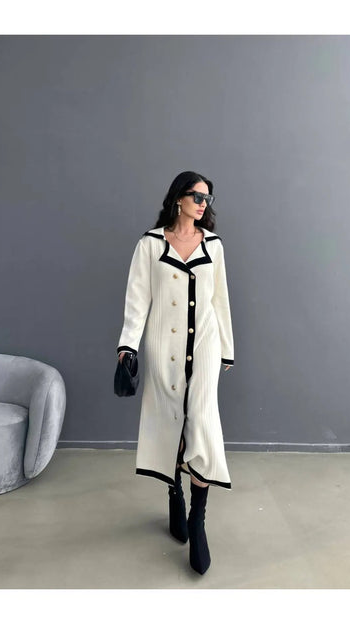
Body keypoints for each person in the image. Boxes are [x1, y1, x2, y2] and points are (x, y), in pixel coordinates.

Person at [117, 170, 234, 575]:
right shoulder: (150, 244)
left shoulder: (214, 245)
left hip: (205, 344)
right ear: (178, 198)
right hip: (163, 347)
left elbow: (220, 300)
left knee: (200, 422)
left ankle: (198, 521)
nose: (203, 204)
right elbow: (137, 300)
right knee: (170, 422)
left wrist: (227, 349)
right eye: (197, 196)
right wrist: (127, 346)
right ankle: (174, 493)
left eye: (208, 198)